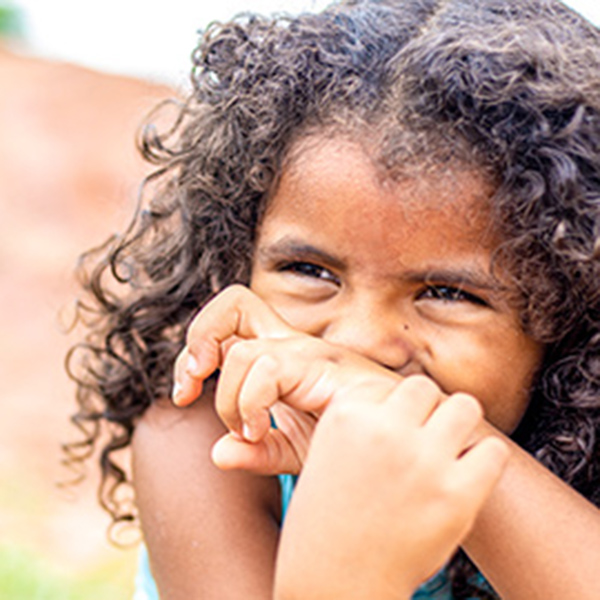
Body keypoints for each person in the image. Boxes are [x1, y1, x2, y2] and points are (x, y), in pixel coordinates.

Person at [65, 0, 600, 598]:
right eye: (308, 270)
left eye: (446, 293)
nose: (355, 344)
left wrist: (466, 456)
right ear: (237, 259)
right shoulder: (203, 443)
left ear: (572, 314)